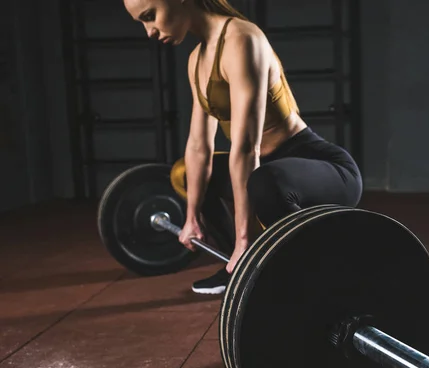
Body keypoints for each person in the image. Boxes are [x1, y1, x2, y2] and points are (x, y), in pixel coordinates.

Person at [124, 0, 363, 294]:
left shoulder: (241, 39)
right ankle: (235, 267)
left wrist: (245, 241)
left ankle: (293, 270)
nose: (149, 31)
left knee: (262, 181)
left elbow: (247, 148)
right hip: (267, 172)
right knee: (184, 173)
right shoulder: (197, 59)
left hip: (325, 168)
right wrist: (191, 218)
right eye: (142, 22)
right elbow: (199, 146)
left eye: (150, 16)